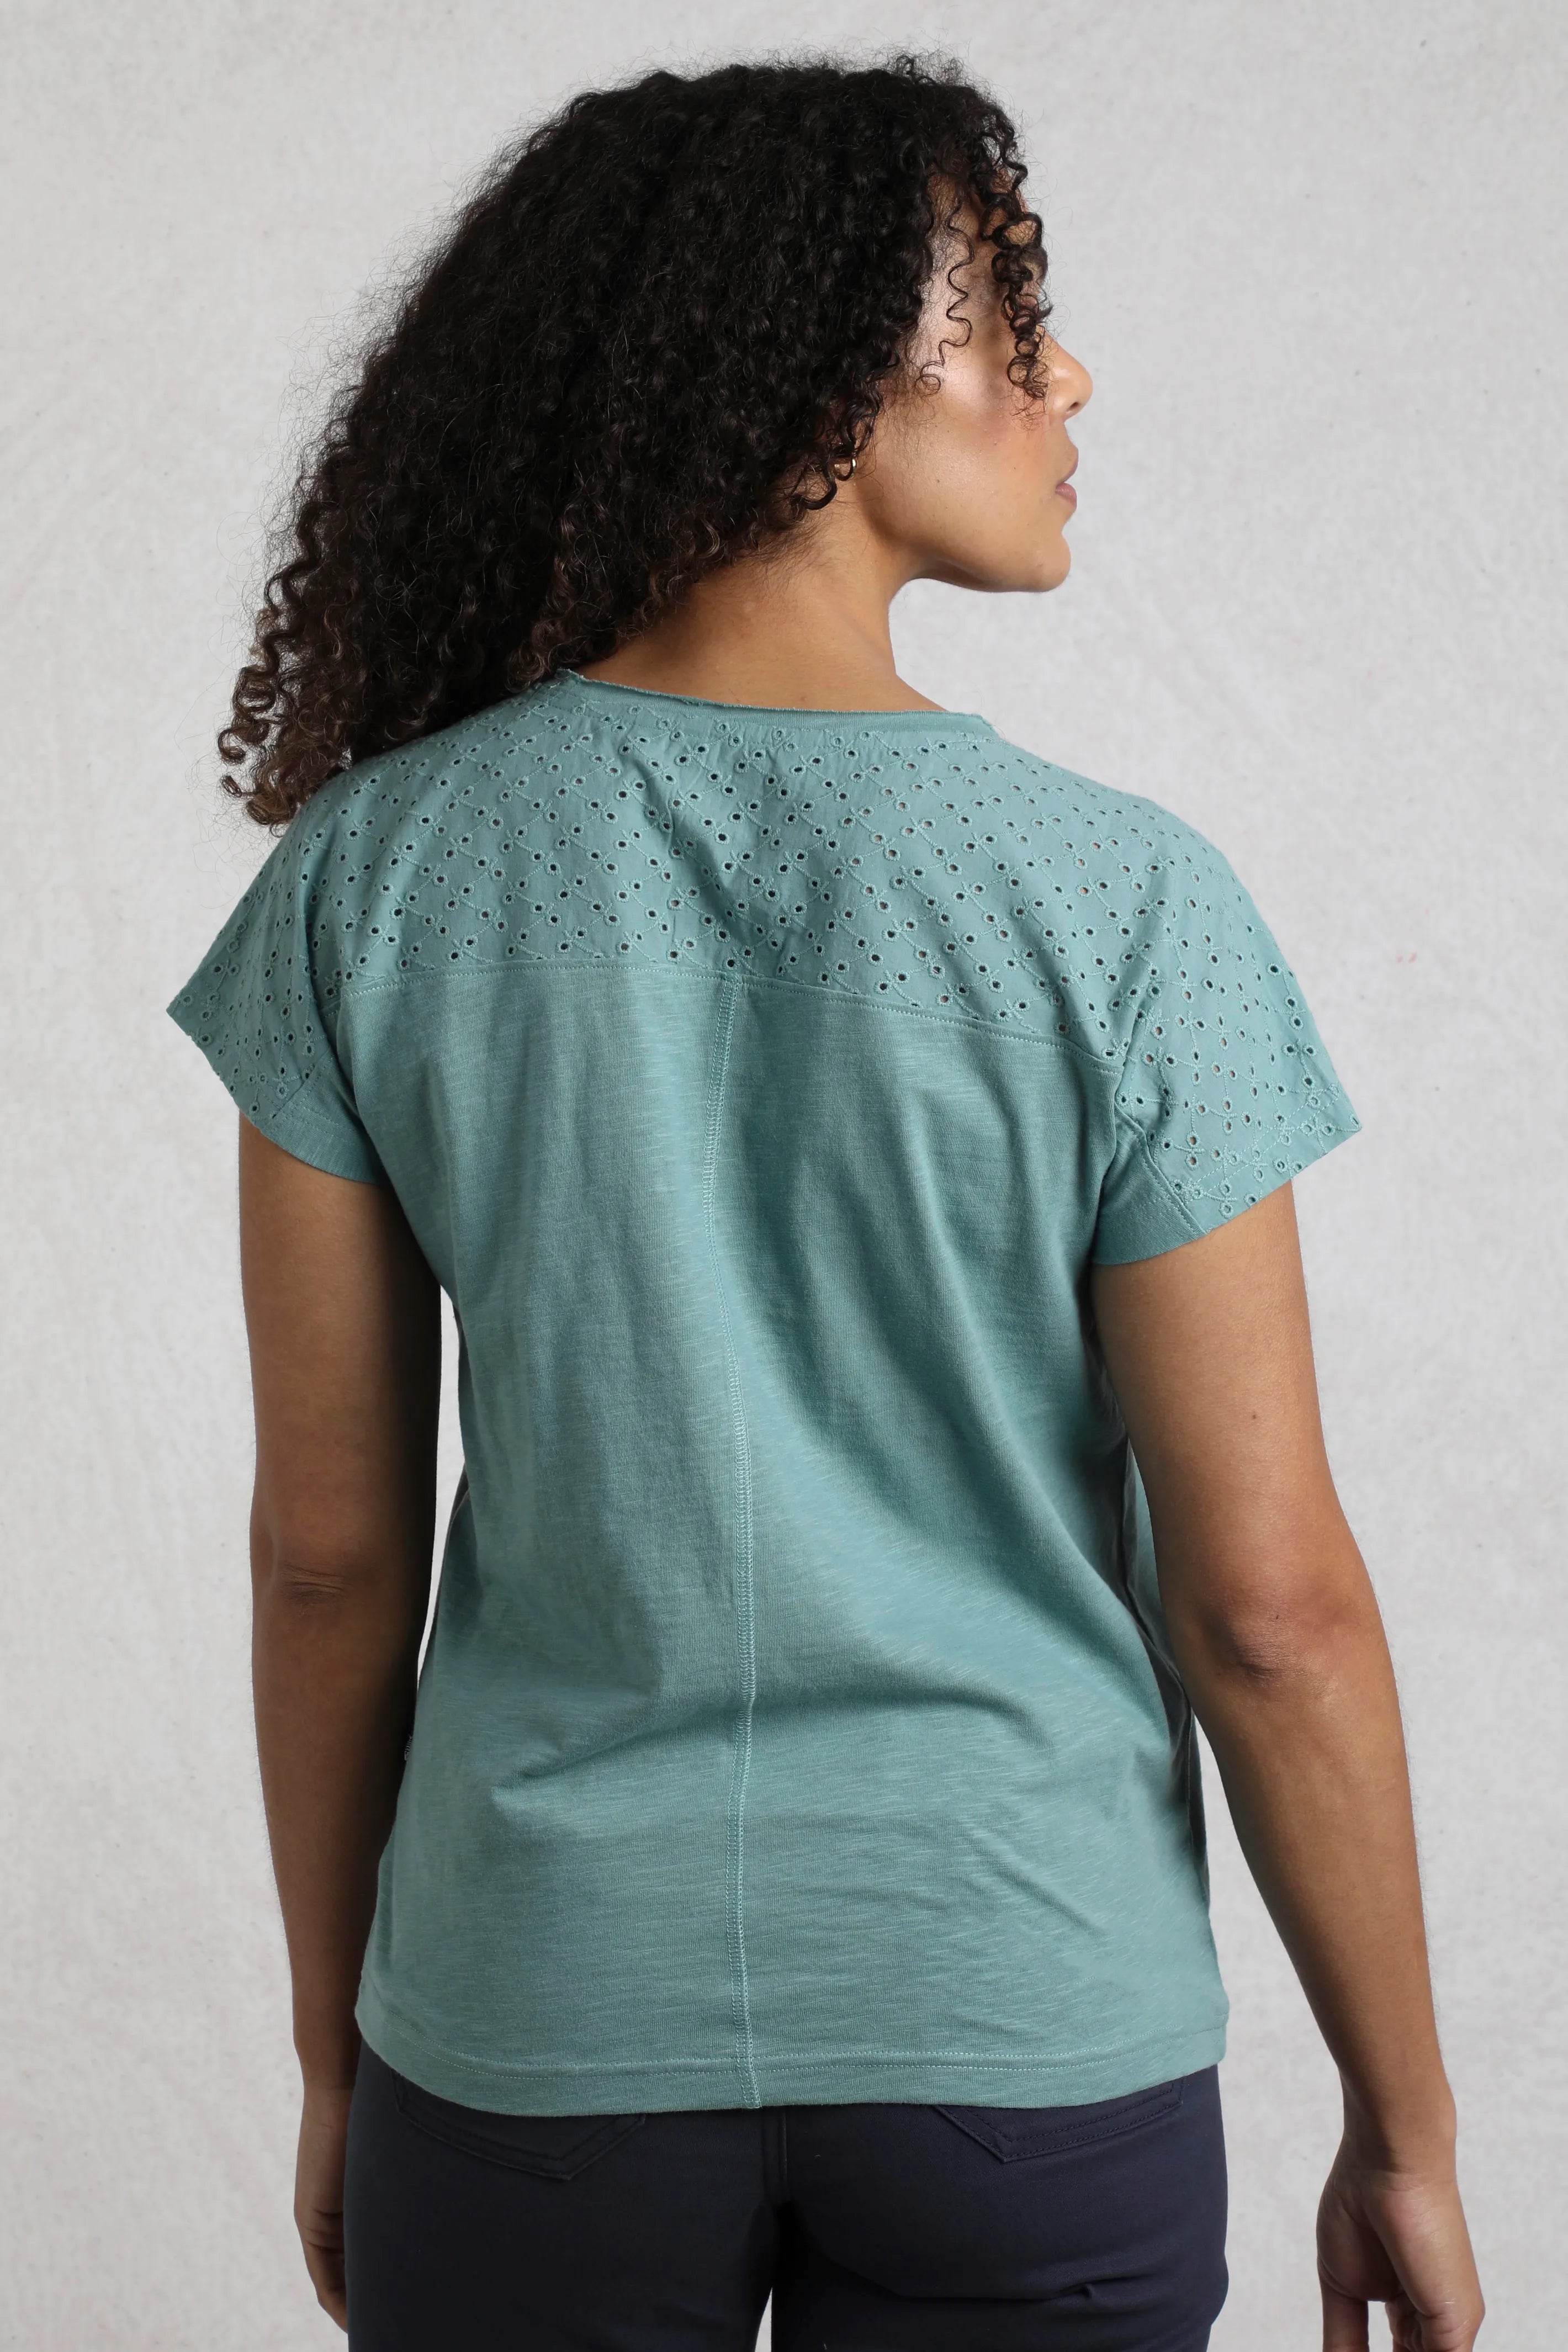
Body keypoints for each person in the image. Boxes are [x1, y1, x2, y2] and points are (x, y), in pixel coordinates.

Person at [166, 53, 1484, 2352]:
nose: (1067, 380)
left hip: (530, 2028)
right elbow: (1269, 1609)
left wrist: (334, 2054)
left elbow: (328, 1562)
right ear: (816, 382)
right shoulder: (1125, 909)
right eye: (1009, 319)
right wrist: (1404, 2129)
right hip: (1022, 2013)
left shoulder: (375, 879)